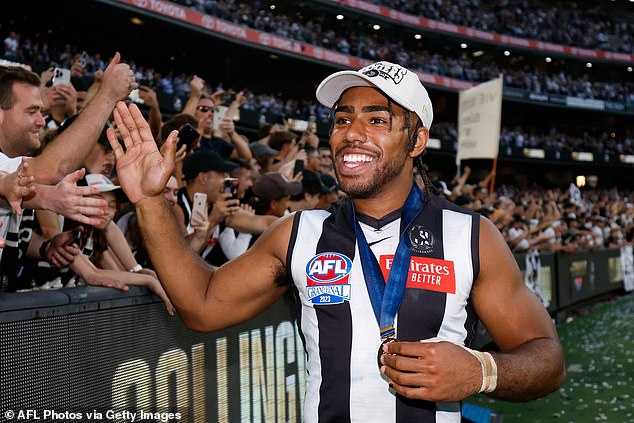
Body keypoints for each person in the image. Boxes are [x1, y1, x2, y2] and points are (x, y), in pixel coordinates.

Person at [108, 61, 565, 422]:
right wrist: (150, 202)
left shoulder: (471, 235)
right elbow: (202, 304)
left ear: (417, 139)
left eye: (377, 119)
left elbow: (547, 358)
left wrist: (481, 371)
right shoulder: (300, 231)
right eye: (342, 119)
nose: (352, 133)